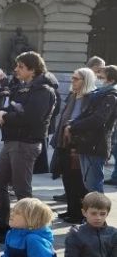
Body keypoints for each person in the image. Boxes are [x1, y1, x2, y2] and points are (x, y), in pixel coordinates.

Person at [0, 52, 57, 239]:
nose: (16, 69)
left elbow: (32, 118)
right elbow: (13, 107)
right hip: (12, 141)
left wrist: (6, 117)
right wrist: (4, 112)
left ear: (32, 69)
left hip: (26, 143)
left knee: (21, 189)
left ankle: (26, 228)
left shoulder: (43, 90)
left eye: (20, 66)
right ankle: (4, 223)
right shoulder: (23, 87)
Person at [52, 68, 97, 223]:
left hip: (78, 144)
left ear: (86, 81)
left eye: (76, 78)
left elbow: (88, 121)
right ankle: (71, 210)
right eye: (72, 78)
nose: (73, 81)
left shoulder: (91, 98)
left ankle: (78, 214)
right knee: (67, 179)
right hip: (64, 142)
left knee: (77, 181)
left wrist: (72, 127)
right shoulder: (73, 96)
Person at [65, 64, 117, 195]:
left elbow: (97, 119)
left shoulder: (111, 97)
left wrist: (74, 126)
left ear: (110, 80)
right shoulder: (98, 95)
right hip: (87, 143)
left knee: (94, 186)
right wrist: (72, 123)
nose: (98, 79)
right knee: (88, 183)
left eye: (101, 77)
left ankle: (99, 214)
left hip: (96, 145)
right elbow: (86, 114)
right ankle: (91, 213)